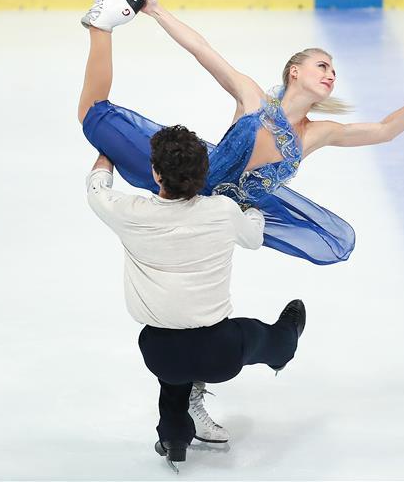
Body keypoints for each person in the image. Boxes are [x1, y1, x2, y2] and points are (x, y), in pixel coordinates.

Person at [77, 0, 404, 266]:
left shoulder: (315, 134)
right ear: (295, 72)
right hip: (182, 183)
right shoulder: (253, 98)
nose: (331, 75)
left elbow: (385, 130)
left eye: (334, 71)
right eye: (322, 66)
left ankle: (105, 23)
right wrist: (157, 12)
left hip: (210, 222)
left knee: (94, 120)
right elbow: (202, 50)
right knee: (93, 116)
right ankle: (105, 23)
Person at [85, 124, 307, 471]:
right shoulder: (221, 210)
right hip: (219, 352)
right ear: (204, 173)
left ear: (155, 173)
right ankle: (285, 347)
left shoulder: (128, 212)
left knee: (175, 372)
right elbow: (253, 238)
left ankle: (174, 435)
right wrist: (250, 212)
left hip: (159, 352)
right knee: (261, 336)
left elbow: (97, 187)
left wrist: (107, 147)